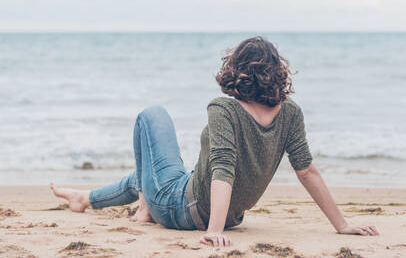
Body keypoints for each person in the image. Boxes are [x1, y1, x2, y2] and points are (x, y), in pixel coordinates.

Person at [50, 36, 379, 247]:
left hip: (182, 208)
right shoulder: (290, 111)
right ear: (278, 72)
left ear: (236, 70)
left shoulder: (224, 108)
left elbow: (224, 167)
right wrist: (342, 224)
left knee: (150, 115)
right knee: (146, 174)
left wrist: (214, 230)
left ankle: (146, 205)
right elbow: (307, 171)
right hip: (219, 208)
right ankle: (86, 199)